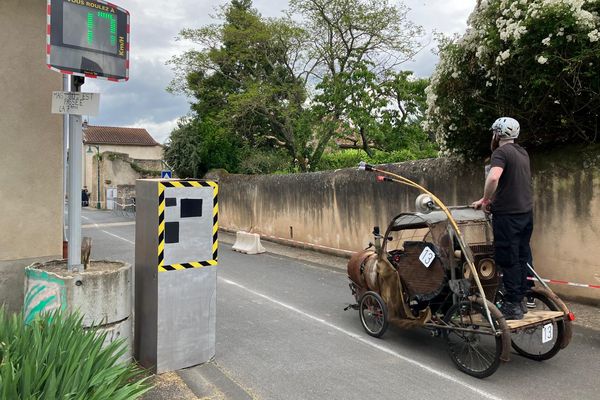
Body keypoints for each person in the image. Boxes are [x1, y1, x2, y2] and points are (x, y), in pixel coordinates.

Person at [471, 117, 533, 320]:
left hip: (508, 216)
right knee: (522, 256)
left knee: (508, 258)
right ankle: (521, 299)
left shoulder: (501, 152)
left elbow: (494, 177)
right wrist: (487, 198)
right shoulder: (522, 153)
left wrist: (486, 200)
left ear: (498, 134)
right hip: (526, 214)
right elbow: (510, 184)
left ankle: (512, 304)